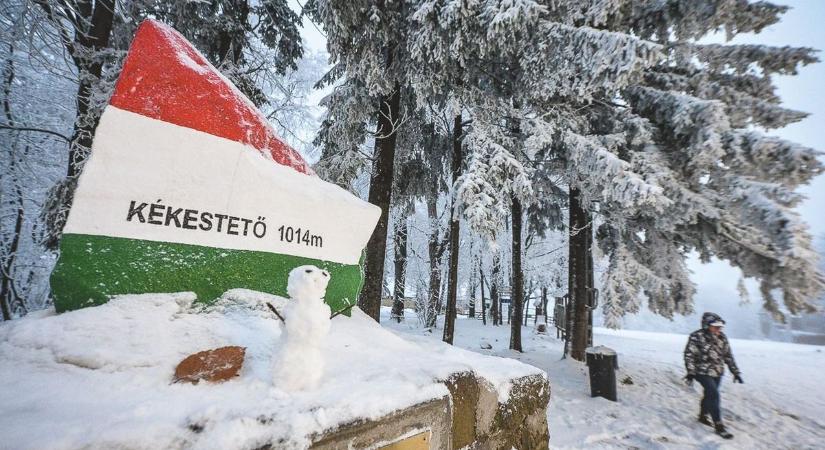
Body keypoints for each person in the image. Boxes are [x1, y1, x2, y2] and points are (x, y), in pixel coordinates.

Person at [683, 312, 743, 439]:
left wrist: (735, 372)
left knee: (709, 394)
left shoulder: (722, 338)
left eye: (720, 326)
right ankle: (719, 425)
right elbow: (689, 355)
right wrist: (690, 372)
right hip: (701, 371)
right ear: (706, 325)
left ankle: (703, 416)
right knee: (714, 393)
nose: (718, 329)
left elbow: (728, 356)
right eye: (715, 326)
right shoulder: (696, 336)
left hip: (717, 372)